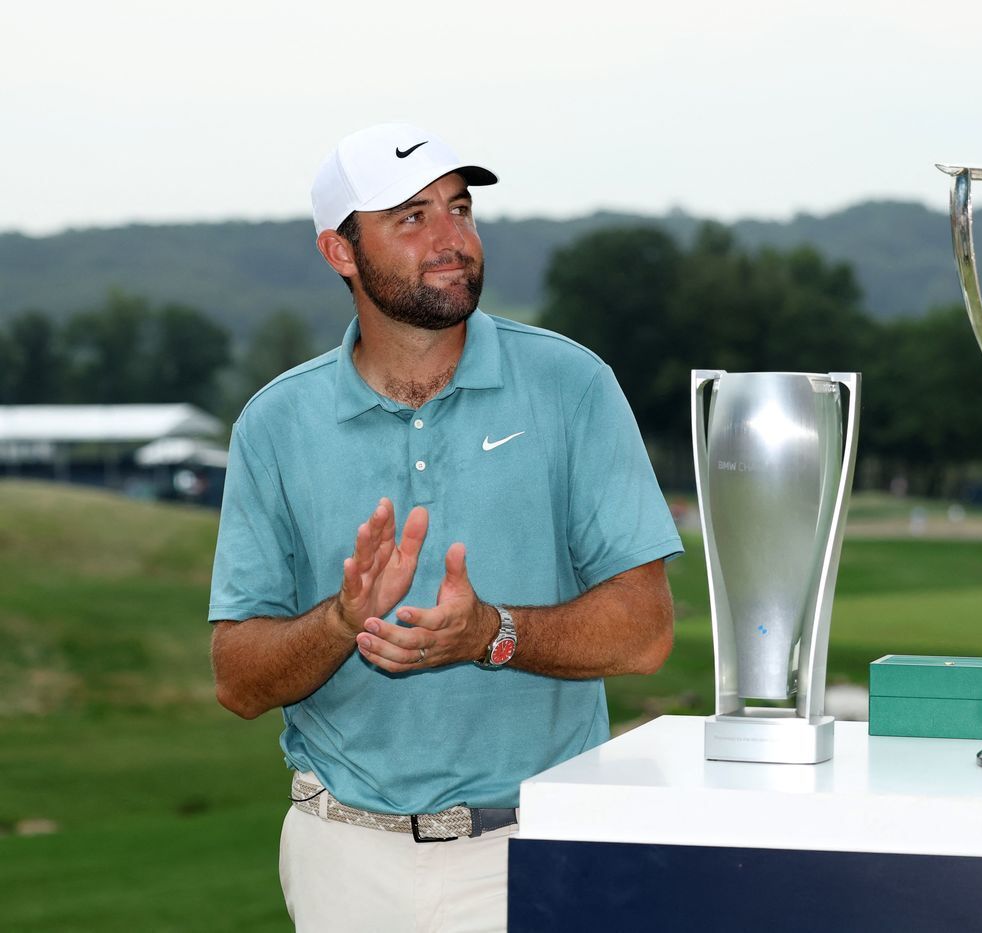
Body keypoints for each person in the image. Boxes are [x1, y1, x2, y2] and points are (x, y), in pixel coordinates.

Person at [209, 123, 682, 932]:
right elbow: (238, 680)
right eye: (412, 217)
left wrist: (491, 632)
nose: (451, 239)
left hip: (537, 842)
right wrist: (340, 620)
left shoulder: (572, 384)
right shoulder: (274, 423)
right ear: (340, 251)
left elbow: (645, 632)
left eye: (460, 210)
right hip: (343, 856)